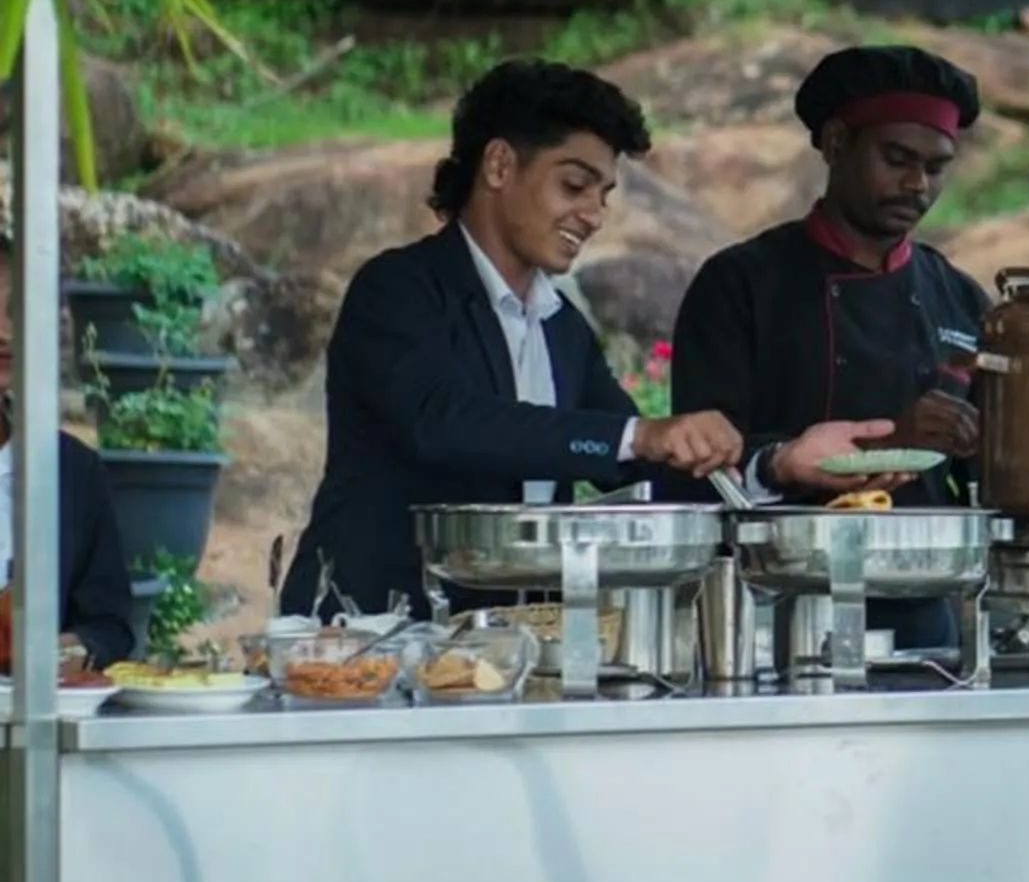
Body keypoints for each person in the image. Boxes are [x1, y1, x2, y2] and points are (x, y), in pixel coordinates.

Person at [285, 60, 869, 618]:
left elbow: (633, 466)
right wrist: (639, 435)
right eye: (574, 185)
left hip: (509, 645)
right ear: (498, 166)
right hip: (370, 632)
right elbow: (441, 421)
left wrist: (779, 465)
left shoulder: (562, 326)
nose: (593, 214)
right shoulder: (399, 288)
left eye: (604, 195)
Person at [669, 44, 992, 649]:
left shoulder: (960, 299)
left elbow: (987, 485)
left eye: (936, 166)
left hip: (922, 611)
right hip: (770, 612)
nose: (917, 184)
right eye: (896, 158)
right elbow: (697, 465)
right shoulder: (741, 283)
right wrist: (793, 457)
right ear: (837, 143)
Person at [0, 247, 135, 668]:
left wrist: (69, 652)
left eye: (15, 310)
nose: (4, 331)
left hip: (30, 728)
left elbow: (109, 625)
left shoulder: (70, 470)